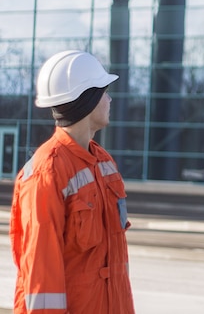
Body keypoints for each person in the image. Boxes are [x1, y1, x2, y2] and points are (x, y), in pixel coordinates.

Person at [9, 50, 135, 314]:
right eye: (104, 91)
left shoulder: (105, 163)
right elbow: (41, 280)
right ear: (86, 99)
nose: (109, 99)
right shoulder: (47, 172)